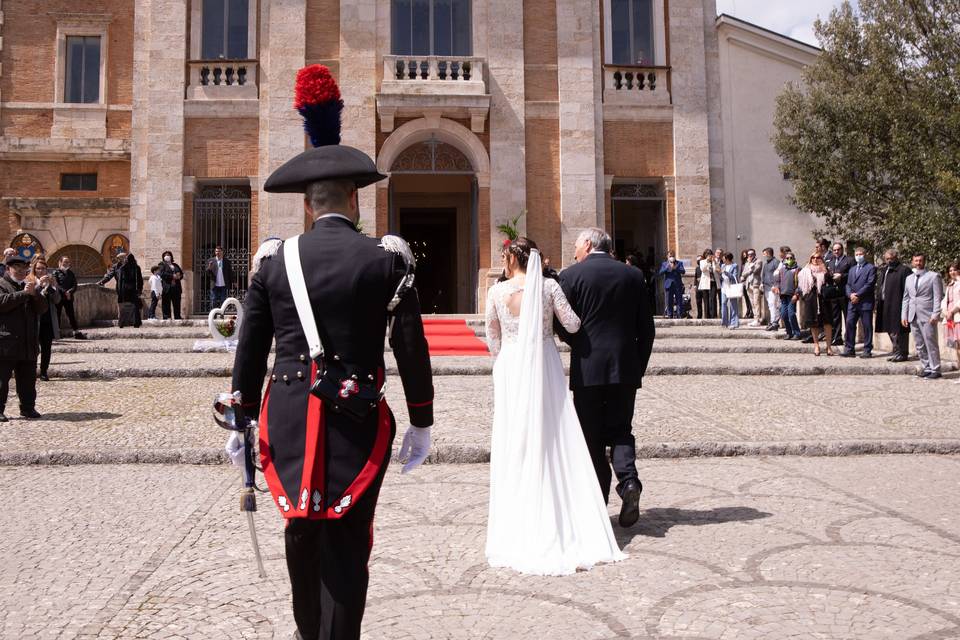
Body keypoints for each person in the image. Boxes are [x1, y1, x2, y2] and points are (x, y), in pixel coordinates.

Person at [229, 64, 434, 640]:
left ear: (307, 206)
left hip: (289, 416)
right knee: (350, 536)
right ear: (354, 200)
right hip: (358, 414)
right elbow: (410, 347)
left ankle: (306, 630)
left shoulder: (274, 260)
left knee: (300, 529)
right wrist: (422, 420)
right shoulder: (388, 258)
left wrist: (240, 418)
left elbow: (251, 344)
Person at [484, 237, 624, 575]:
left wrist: (505, 357)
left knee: (514, 435)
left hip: (512, 365)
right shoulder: (548, 287)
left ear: (509, 259)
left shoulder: (496, 292)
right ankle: (559, 507)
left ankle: (517, 513)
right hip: (543, 361)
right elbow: (573, 324)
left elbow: (492, 337)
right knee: (552, 433)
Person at [555, 227, 656, 528]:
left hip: (588, 368)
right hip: (625, 367)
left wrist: (578, 345)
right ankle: (629, 483)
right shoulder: (633, 275)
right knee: (622, 429)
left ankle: (597, 502)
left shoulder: (571, 276)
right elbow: (646, 329)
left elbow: (563, 323)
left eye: (576, 245)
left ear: (587, 244)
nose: (574, 250)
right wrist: (638, 366)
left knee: (592, 437)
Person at [0, 253, 47, 420]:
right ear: (8, 269)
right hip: (6, 343)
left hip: (28, 343)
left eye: (23, 269)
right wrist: (23, 294)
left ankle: (27, 408)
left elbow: (42, 309)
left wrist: (35, 294)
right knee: (2, 380)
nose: (20, 271)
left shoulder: (29, 285)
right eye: (16, 268)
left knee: (27, 381)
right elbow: (2, 303)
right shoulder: (2, 284)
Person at [901, 253, 944, 380]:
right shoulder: (909, 278)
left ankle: (936, 368)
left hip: (927, 314)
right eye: (916, 261)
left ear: (924, 262)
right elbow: (906, 298)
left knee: (930, 342)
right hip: (912, 315)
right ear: (912, 262)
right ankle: (926, 367)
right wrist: (904, 315)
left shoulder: (933, 276)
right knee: (919, 344)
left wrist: (936, 313)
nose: (918, 263)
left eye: (920, 261)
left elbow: (937, 297)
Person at [797, 253, 836, 356]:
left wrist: (825, 273)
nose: (815, 259)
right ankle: (816, 345)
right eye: (813, 257)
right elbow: (801, 286)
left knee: (827, 323)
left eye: (818, 257)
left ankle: (828, 346)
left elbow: (831, 282)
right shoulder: (805, 271)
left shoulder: (825, 270)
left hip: (824, 299)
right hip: (811, 299)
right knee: (813, 323)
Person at [876, 250, 911, 362]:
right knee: (889, 328)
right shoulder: (884, 270)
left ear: (896, 258)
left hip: (898, 303)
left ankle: (902, 353)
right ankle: (896, 350)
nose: (889, 261)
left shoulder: (904, 270)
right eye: (887, 259)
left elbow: (908, 289)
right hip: (885, 303)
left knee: (900, 329)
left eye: (891, 259)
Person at [29, 256, 61, 382]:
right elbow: (29, 298)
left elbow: (57, 300)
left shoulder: (51, 281)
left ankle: (43, 371)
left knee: (47, 348)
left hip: (47, 319)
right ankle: (30, 370)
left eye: (43, 268)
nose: (41, 271)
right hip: (33, 319)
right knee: (33, 347)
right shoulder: (29, 281)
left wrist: (53, 287)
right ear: (34, 270)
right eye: (38, 268)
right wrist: (39, 286)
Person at [842, 247, 877, 358]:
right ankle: (849, 348)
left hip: (865, 302)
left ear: (865, 255)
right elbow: (848, 284)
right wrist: (850, 294)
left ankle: (867, 349)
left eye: (860, 254)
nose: (858, 256)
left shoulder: (871, 268)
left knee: (867, 326)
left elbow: (870, 284)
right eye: (856, 254)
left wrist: (858, 294)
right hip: (852, 302)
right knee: (849, 323)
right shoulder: (852, 269)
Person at [99, 253, 144, 328]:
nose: (121, 259)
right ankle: (122, 322)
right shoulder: (116, 267)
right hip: (122, 290)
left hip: (132, 289)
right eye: (119, 258)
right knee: (121, 306)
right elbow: (109, 276)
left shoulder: (135, 267)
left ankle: (134, 322)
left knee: (134, 306)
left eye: (123, 257)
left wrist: (139, 290)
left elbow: (139, 279)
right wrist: (101, 282)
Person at [825, 242, 853, 346]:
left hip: (844, 291)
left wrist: (842, 276)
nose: (836, 252)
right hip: (834, 292)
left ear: (842, 250)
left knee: (847, 316)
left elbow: (852, 273)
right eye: (834, 250)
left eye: (838, 249)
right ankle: (837, 337)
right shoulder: (830, 261)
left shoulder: (849, 260)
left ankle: (849, 338)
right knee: (835, 317)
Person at [52, 255, 84, 339]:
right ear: (60, 262)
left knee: (71, 315)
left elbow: (75, 284)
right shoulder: (55, 272)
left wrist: (70, 291)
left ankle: (76, 332)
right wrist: (65, 292)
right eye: (64, 262)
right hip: (59, 297)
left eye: (67, 262)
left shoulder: (71, 273)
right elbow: (56, 285)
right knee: (57, 315)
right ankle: (57, 333)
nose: (66, 263)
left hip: (69, 298)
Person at [773, 251, 801, 339]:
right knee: (784, 315)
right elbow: (777, 281)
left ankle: (797, 333)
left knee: (791, 314)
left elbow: (800, 284)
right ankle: (789, 333)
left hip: (792, 296)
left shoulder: (798, 269)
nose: (789, 260)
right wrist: (777, 287)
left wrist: (796, 294)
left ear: (794, 259)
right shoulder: (782, 269)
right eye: (787, 258)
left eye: (791, 258)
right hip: (783, 295)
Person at [943, 261, 960, 383]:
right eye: (950, 270)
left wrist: (952, 311)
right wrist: (945, 311)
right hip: (950, 318)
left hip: (957, 316)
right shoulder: (950, 285)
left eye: (954, 269)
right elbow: (945, 301)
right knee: (957, 347)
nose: (952, 272)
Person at [658, 250, 685, 318]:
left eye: (673, 256)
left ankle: (679, 315)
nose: (671, 257)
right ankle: (670, 315)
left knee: (679, 300)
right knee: (669, 300)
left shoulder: (679, 263)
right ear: (667, 257)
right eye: (670, 256)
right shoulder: (664, 264)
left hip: (677, 284)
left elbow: (683, 271)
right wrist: (667, 267)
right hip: (668, 285)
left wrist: (676, 268)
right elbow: (660, 272)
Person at [741, 248, 763, 327]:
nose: (750, 256)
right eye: (749, 254)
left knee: (756, 302)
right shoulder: (747, 263)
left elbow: (755, 270)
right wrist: (749, 269)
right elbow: (743, 273)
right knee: (752, 303)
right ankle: (755, 319)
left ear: (754, 254)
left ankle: (757, 319)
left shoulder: (758, 261)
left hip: (755, 284)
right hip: (748, 284)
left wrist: (749, 269)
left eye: (751, 254)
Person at [159, 251, 184, 320]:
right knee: (166, 303)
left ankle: (177, 316)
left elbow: (181, 273)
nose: (167, 256)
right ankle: (167, 317)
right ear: (163, 257)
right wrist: (172, 276)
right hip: (167, 287)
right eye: (166, 255)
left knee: (177, 303)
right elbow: (162, 274)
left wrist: (179, 276)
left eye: (168, 255)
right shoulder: (162, 265)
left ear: (171, 256)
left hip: (176, 287)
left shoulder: (175, 265)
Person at [761, 247, 780, 330]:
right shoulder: (766, 264)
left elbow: (778, 274)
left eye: (764, 253)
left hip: (773, 288)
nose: (763, 255)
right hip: (766, 288)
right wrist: (762, 283)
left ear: (768, 253)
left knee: (774, 305)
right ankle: (773, 322)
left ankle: (774, 322)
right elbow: (763, 274)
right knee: (770, 305)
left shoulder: (776, 262)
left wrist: (775, 285)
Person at [720, 252, 740, 329]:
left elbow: (734, 276)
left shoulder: (735, 266)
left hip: (731, 287)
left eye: (724, 258)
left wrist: (725, 272)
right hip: (724, 287)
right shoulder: (723, 265)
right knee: (723, 304)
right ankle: (724, 322)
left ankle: (734, 323)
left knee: (733, 305)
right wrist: (720, 273)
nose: (723, 259)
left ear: (727, 258)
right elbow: (721, 277)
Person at [695, 250, 717, 319]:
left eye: (710, 254)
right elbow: (703, 269)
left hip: (713, 281)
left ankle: (713, 315)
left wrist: (714, 262)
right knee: (706, 299)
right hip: (705, 282)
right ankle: (707, 316)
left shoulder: (714, 261)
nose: (709, 256)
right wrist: (707, 261)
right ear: (705, 255)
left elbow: (715, 270)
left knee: (713, 298)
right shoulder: (702, 262)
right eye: (708, 254)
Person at [739, 249, 754, 319]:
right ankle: (748, 311)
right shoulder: (742, 263)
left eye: (746, 254)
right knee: (746, 298)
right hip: (743, 282)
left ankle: (751, 312)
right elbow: (741, 273)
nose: (745, 255)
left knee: (750, 298)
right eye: (743, 254)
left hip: (748, 281)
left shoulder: (750, 263)